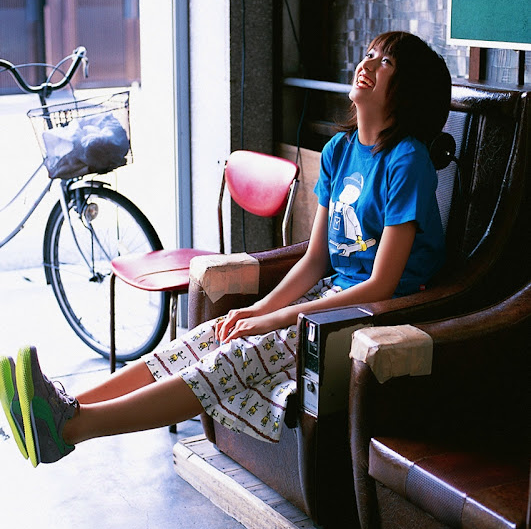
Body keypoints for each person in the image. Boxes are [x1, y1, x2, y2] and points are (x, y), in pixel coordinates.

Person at [0, 30, 451, 467]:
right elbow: (316, 259)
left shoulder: (407, 161)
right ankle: (63, 408)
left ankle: (69, 430)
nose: (368, 63)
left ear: (408, 92)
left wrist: (274, 319)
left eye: (386, 61)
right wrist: (260, 310)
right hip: (331, 297)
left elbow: (381, 285)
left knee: (229, 359)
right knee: (204, 338)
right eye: (370, 53)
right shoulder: (339, 151)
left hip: (376, 316)